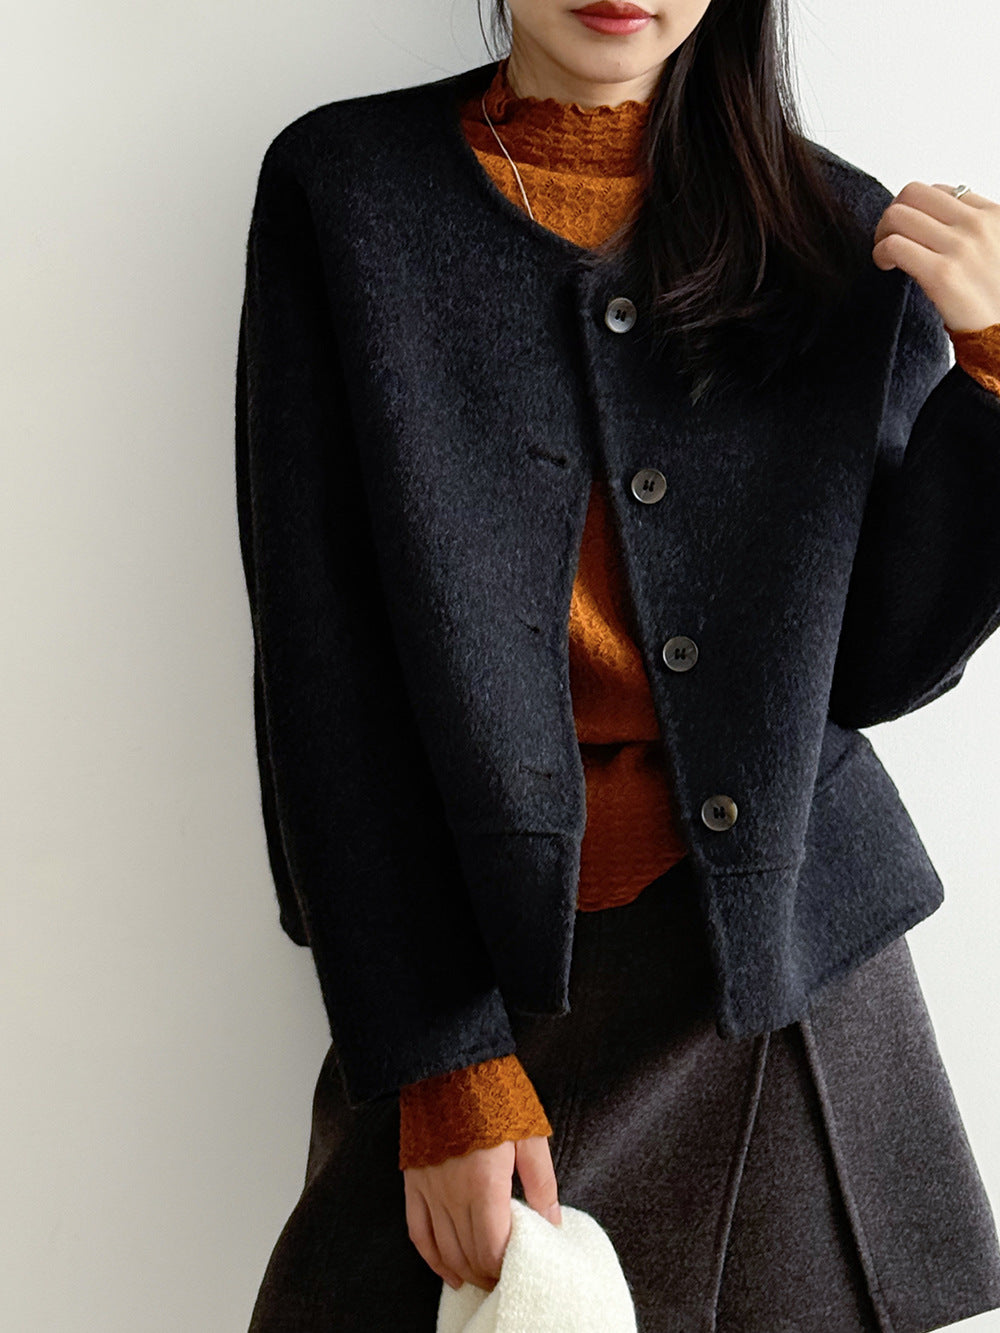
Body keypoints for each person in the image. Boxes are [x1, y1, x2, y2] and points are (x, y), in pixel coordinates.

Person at [235, 1, 1000, 1328]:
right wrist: (441, 1063)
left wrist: (994, 381)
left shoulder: (834, 231)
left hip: (790, 983)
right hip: (481, 974)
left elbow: (874, 665)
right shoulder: (347, 193)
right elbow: (323, 671)